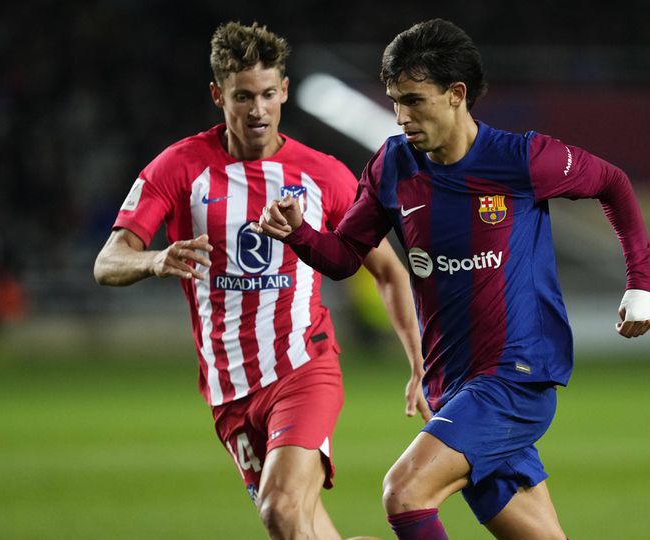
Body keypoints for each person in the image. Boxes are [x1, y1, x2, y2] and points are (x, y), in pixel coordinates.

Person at [257, 18, 650, 540]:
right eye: (395, 100)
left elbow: (612, 182)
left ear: (456, 95)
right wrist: (299, 233)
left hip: (516, 378)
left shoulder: (521, 159)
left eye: (415, 100)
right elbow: (345, 257)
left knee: (404, 492)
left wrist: (641, 282)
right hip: (454, 388)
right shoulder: (392, 167)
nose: (401, 115)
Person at [93, 21, 426, 540]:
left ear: (285, 92)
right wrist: (155, 260)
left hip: (303, 368)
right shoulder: (179, 168)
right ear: (216, 95)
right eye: (242, 96)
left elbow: (387, 269)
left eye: (269, 94)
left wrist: (416, 360)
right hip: (228, 390)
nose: (257, 109)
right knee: (300, 531)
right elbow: (107, 261)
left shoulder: (324, 175)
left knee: (279, 509)